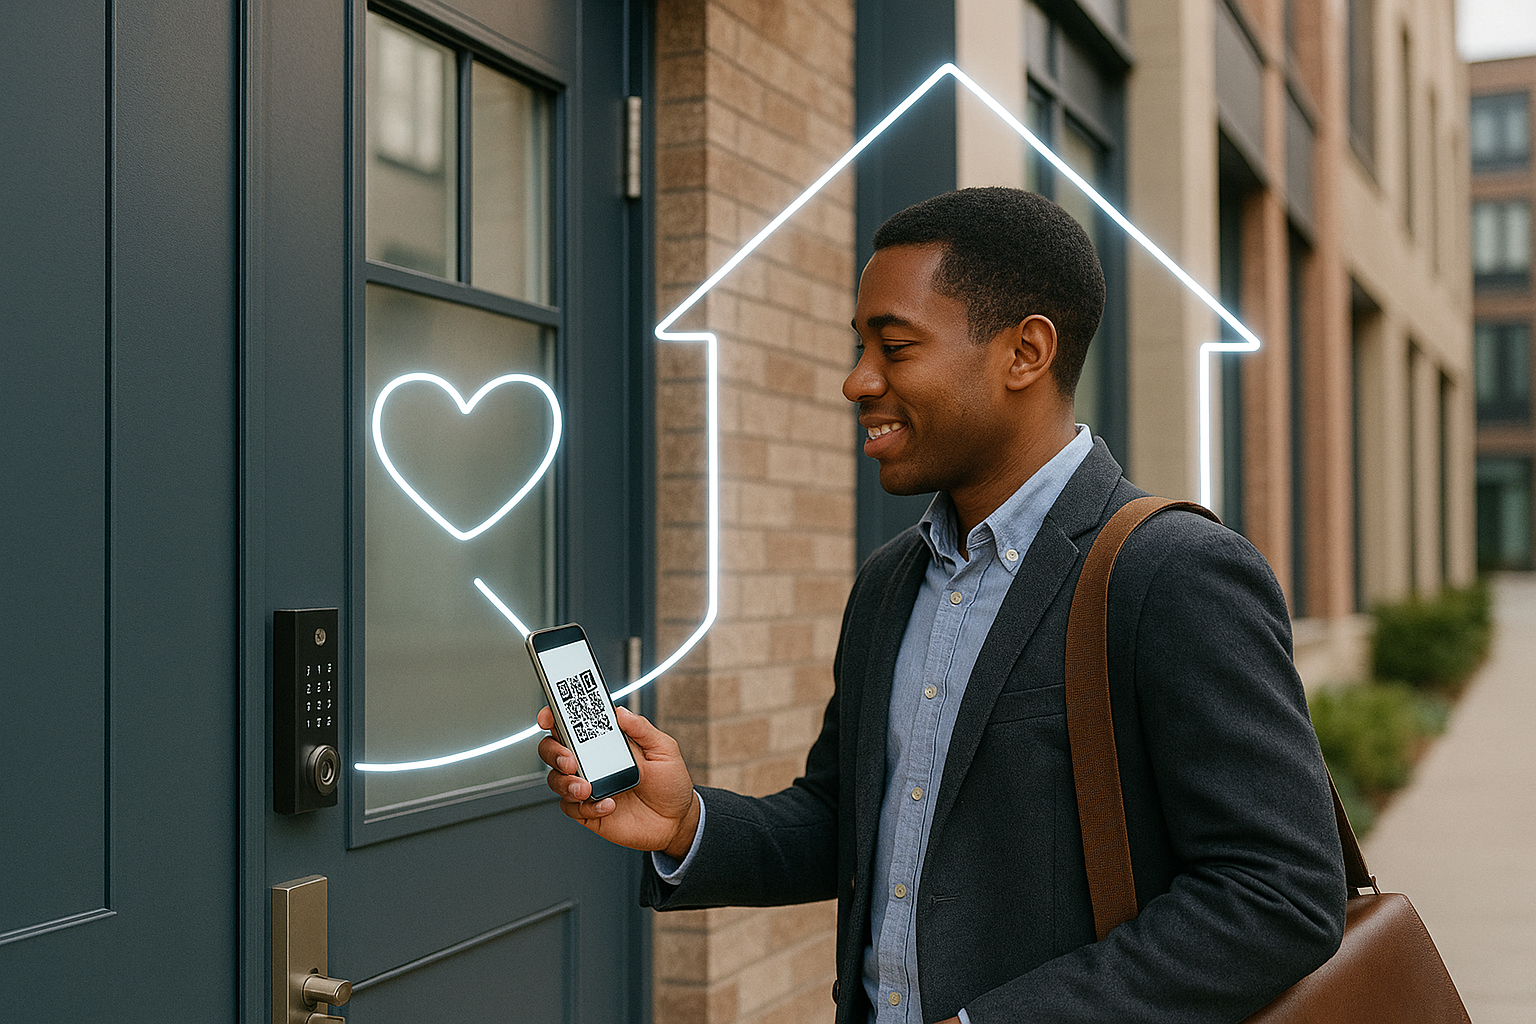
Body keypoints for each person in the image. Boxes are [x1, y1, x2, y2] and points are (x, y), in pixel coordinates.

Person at [538, 187, 1346, 1023]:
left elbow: (1278, 895)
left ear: (1026, 352)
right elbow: (848, 824)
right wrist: (687, 824)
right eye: (861, 347)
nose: (858, 381)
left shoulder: (1175, 573)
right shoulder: (891, 581)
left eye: (895, 346)